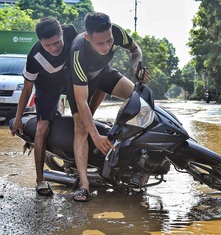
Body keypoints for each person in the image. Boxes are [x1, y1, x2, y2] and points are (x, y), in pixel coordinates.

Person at [67, 12, 149, 202]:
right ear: (88, 38)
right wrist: (95, 136)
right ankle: (84, 185)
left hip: (103, 73)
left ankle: (139, 158)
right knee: (81, 128)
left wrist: (137, 65)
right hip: (80, 82)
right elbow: (81, 101)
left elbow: (135, 49)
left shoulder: (117, 32)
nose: (106, 47)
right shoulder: (79, 52)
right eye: (100, 43)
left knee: (138, 100)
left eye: (109, 41)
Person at [11, 17, 77, 196]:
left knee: (82, 119)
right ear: (40, 42)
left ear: (62, 33)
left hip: (69, 79)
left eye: (57, 43)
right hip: (46, 87)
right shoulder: (34, 57)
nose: (54, 48)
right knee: (42, 128)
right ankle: (40, 181)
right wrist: (18, 119)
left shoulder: (71, 33)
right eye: (48, 45)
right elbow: (26, 89)